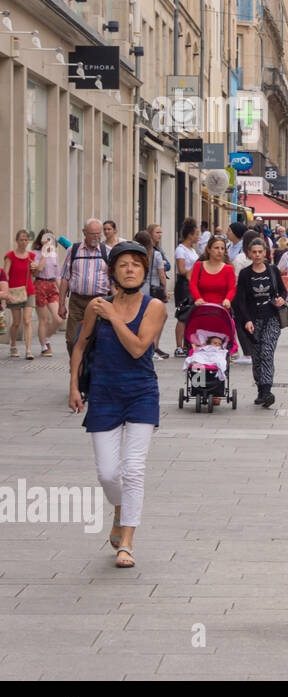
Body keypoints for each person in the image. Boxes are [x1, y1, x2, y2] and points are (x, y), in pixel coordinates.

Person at [68, 241, 164, 570]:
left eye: (136, 264)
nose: (130, 269)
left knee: (133, 470)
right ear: (113, 271)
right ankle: (120, 508)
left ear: (143, 270)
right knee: (108, 473)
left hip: (141, 392)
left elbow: (139, 348)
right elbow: (79, 346)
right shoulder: (97, 307)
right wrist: (73, 387)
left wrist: (114, 317)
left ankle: (127, 541)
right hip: (104, 393)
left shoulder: (154, 307)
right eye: (123, 264)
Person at [232, 236, 287, 408]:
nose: (257, 255)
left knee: (267, 352)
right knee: (257, 356)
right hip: (253, 321)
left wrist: (281, 300)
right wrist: (247, 320)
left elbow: (283, 291)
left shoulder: (272, 270)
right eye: (254, 252)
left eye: (260, 252)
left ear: (265, 253)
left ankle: (267, 391)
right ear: (249, 253)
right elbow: (240, 300)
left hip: (271, 318)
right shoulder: (245, 274)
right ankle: (260, 389)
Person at [58, 219, 112, 357]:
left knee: (98, 340)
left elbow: (114, 280)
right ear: (84, 233)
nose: (96, 238)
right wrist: (61, 304)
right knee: (71, 340)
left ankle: (90, 370)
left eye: (98, 234)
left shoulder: (108, 252)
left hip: (99, 301)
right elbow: (65, 277)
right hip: (77, 301)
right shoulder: (73, 250)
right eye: (93, 234)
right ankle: (76, 367)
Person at [135, 229, 170, 361]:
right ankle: (154, 345)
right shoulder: (156, 255)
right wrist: (165, 291)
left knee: (141, 319)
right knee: (161, 316)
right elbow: (162, 274)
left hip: (139, 290)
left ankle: (145, 345)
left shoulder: (135, 255)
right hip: (153, 291)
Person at [4, 231, 37, 359]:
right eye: (21, 239)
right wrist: (5, 291)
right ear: (17, 240)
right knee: (16, 322)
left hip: (29, 290)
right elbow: (5, 275)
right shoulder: (10, 256)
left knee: (27, 320)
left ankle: (28, 350)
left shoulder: (31, 256)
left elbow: (34, 275)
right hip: (14, 291)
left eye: (26, 240)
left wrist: (34, 268)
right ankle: (13, 345)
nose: (24, 242)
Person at [172, 218, 200, 357]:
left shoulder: (192, 250)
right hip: (184, 284)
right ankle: (178, 346)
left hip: (192, 283)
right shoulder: (180, 249)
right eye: (196, 234)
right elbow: (182, 270)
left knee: (191, 314)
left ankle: (186, 343)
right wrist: (196, 266)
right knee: (182, 315)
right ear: (190, 235)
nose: (198, 237)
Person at [32, 228, 61, 356]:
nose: (48, 242)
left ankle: (46, 337)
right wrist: (44, 254)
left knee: (58, 318)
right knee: (43, 319)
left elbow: (57, 275)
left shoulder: (54, 255)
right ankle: (44, 346)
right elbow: (38, 269)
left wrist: (62, 291)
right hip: (40, 284)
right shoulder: (35, 253)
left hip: (51, 286)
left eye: (50, 239)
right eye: (46, 239)